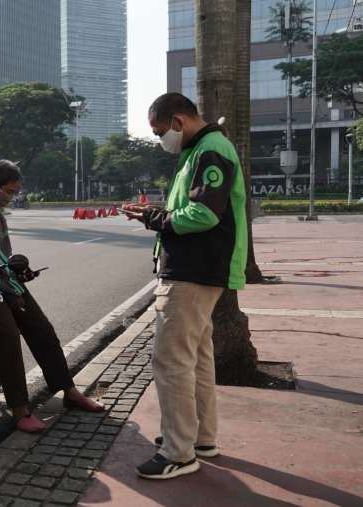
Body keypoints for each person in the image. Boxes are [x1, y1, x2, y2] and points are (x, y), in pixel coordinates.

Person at [122, 93, 248, 480]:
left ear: (178, 121)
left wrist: (156, 218)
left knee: (171, 360)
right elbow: (193, 207)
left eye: (161, 131)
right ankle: (201, 438)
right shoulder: (201, 150)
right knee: (197, 358)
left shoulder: (209, 150)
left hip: (193, 272)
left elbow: (203, 213)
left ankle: (178, 452)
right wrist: (156, 214)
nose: (162, 140)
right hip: (201, 270)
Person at [0, 160, 104, 433]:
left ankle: (68, 390)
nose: (11, 198)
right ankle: (20, 409)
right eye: (8, 192)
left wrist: (18, 272)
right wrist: (3, 287)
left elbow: (4, 256)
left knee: (42, 328)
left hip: (3, 283)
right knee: (8, 335)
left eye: (14, 193)